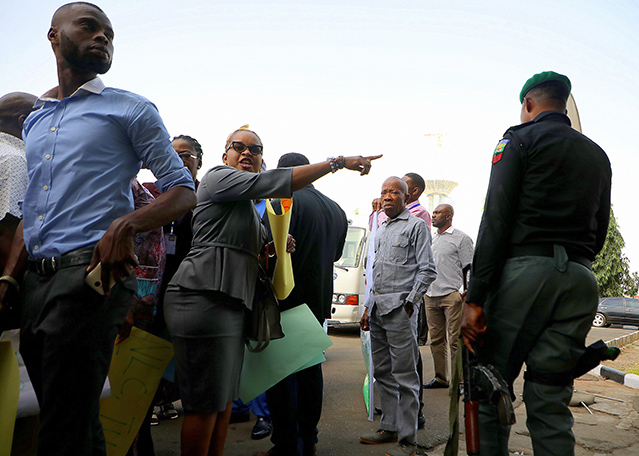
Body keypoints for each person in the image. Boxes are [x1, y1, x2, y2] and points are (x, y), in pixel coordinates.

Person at [0, 3, 197, 455]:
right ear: (53, 36)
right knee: (72, 417)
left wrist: (128, 222)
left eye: (109, 32)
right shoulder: (38, 119)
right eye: (88, 26)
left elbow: (182, 190)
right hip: (36, 283)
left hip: (88, 277)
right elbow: (33, 208)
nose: (103, 37)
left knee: (61, 427)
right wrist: (10, 274)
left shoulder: (130, 108)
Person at [164, 126, 380, 456]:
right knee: (205, 405)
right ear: (225, 156)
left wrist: (275, 242)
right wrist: (338, 163)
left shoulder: (249, 208)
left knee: (222, 402)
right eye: (239, 146)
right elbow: (271, 183)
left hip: (234, 304)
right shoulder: (217, 178)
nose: (247, 152)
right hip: (203, 296)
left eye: (256, 149)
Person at [461, 71, 611, 456]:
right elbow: (600, 232)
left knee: (490, 385)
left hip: (525, 274)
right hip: (580, 279)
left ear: (528, 104)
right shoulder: (597, 154)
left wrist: (475, 298)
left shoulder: (517, 138)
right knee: (550, 396)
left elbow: (496, 218)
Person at [256, 152, 348, 456]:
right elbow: (334, 256)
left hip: (284, 300)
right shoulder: (335, 209)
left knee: (280, 377)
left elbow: (267, 250)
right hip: (317, 301)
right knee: (310, 372)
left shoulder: (283, 201)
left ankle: (284, 445)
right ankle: (309, 439)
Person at [360, 177, 436, 456]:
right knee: (382, 372)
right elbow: (376, 273)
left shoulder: (416, 226)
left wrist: (410, 303)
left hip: (400, 312)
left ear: (407, 198)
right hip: (378, 310)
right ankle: (388, 426)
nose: (387, 196)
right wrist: (368, 307)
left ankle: (408, 441)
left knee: (405, 375)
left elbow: (427, 270)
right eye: (384, 192)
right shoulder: (380, 227)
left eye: (394, 192)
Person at [422, 204, 473, 389]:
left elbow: (469, 268)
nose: (433, 216)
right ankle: (441, 378)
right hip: (431, 294)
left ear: (449, 216)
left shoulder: (461, 238)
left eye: (437, 213)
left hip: (452, 296)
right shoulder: (432, 239)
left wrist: (463, 292)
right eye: (433, 212)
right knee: (435, 340)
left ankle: (459, 381)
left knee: (454, 340)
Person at [0, 92, 37, 284]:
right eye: (42, 118)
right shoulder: (14, 160)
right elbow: (4, 233)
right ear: (24, 122)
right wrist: (11, 286)